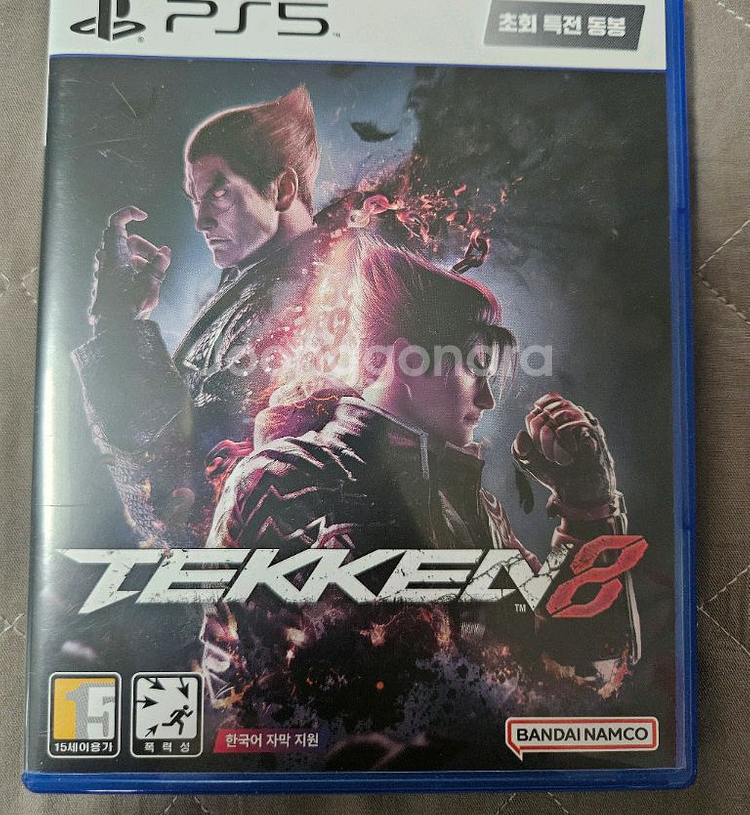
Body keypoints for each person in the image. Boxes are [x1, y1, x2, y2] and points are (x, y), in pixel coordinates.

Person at [201, 243, 640, 764]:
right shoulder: (280, 482)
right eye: (475, 366)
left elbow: (585, 679)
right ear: (407, 361)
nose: (486, 399)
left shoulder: (479, 511)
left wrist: (589, 511)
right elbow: (242, 703)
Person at [72, 86, 338, 544]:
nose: (200, 221)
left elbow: (182, 498)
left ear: (281, 190)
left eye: (218, 194)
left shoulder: (309, 297)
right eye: (195, 199)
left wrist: (116, 325)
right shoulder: (256, 284)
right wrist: (121, 323)